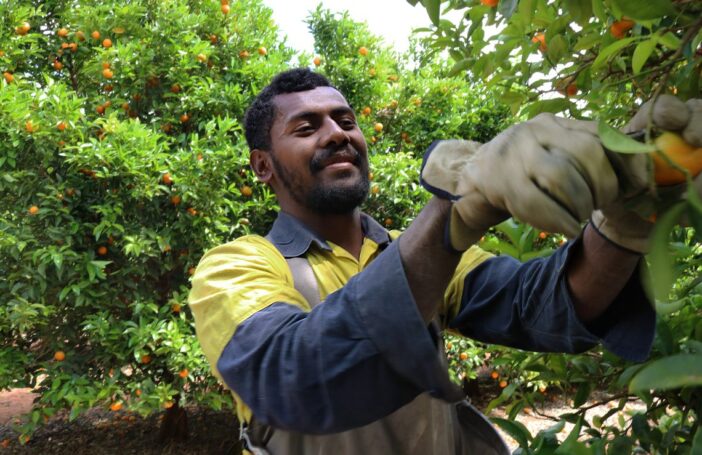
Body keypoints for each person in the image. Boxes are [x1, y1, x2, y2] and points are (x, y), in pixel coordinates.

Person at [188, 68, 702, 454]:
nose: (337, 133)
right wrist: (454, 209)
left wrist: (624, 222)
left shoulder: (418, 254)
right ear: (263, 166)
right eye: (306, 127)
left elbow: (545, 308)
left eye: (345, 120)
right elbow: (292, 374)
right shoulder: (236, 267)